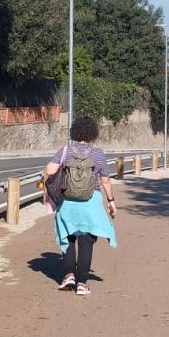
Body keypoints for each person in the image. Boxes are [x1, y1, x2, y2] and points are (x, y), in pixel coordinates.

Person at [43, 116, 117, 296]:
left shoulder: (65, 151)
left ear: (74, 132)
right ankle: (82, 283)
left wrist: (48, 192)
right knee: (86, 243)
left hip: (67, 203)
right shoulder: (98, 154)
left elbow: (48, 171)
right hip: (90, 203)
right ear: (93, 133)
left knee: (68, 238)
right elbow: (105, 181)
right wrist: (111, 201)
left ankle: (68, 275)